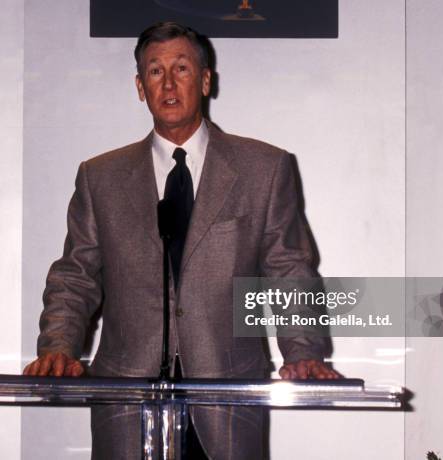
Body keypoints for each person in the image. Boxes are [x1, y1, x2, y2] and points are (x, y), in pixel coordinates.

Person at [24, 21, 340, 459]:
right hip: (127, 405)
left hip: (226, 399)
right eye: (155, 71)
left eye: (182, 69)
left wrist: (304, 352)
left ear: (206, 80)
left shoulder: (263, 169)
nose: (168, 83)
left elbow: (289, 270)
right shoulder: (101, 178)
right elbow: (75, 276)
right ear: (140, 86)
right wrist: (58, 348)